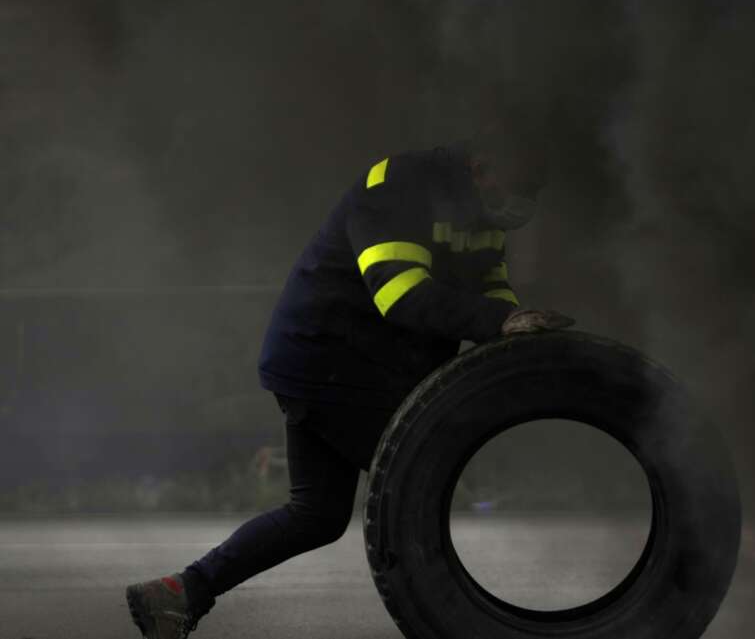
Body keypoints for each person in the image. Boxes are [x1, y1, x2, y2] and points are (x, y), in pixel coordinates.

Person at [124, 134, 574, 638]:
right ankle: (451, 621)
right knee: (416, 482)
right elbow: (400, 294)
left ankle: (179, 593)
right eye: (519, 186)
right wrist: (499, 319)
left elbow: (489, 285)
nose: (522, 202)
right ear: (483, 165)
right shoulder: (398, 187)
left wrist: (514, 325)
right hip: (330, 361)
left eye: (534, 189)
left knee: (316, 515)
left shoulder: (479, 214)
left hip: (357, 367)